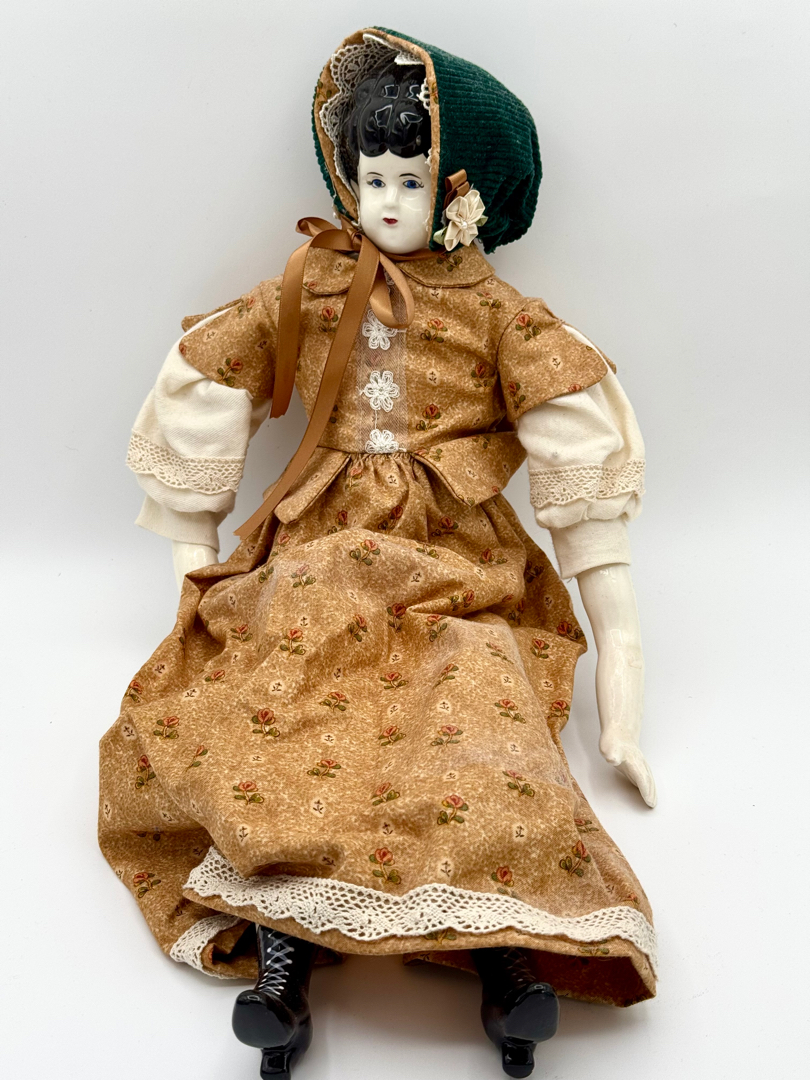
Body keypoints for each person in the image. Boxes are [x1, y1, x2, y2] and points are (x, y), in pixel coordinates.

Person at [99, 26, 656, 1080]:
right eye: (371, 178)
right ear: (346, 177)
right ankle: (281, 971)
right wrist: (190, 557)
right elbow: (210, 376)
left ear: (460, 193)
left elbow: (575, 449)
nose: (387, 201)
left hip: (457, 565)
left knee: (480, 718)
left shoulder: (498, 315)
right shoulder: (312, 285)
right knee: (281, 709)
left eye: (410, 180)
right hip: (319, 546)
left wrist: (622, 684)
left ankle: (510, 965)